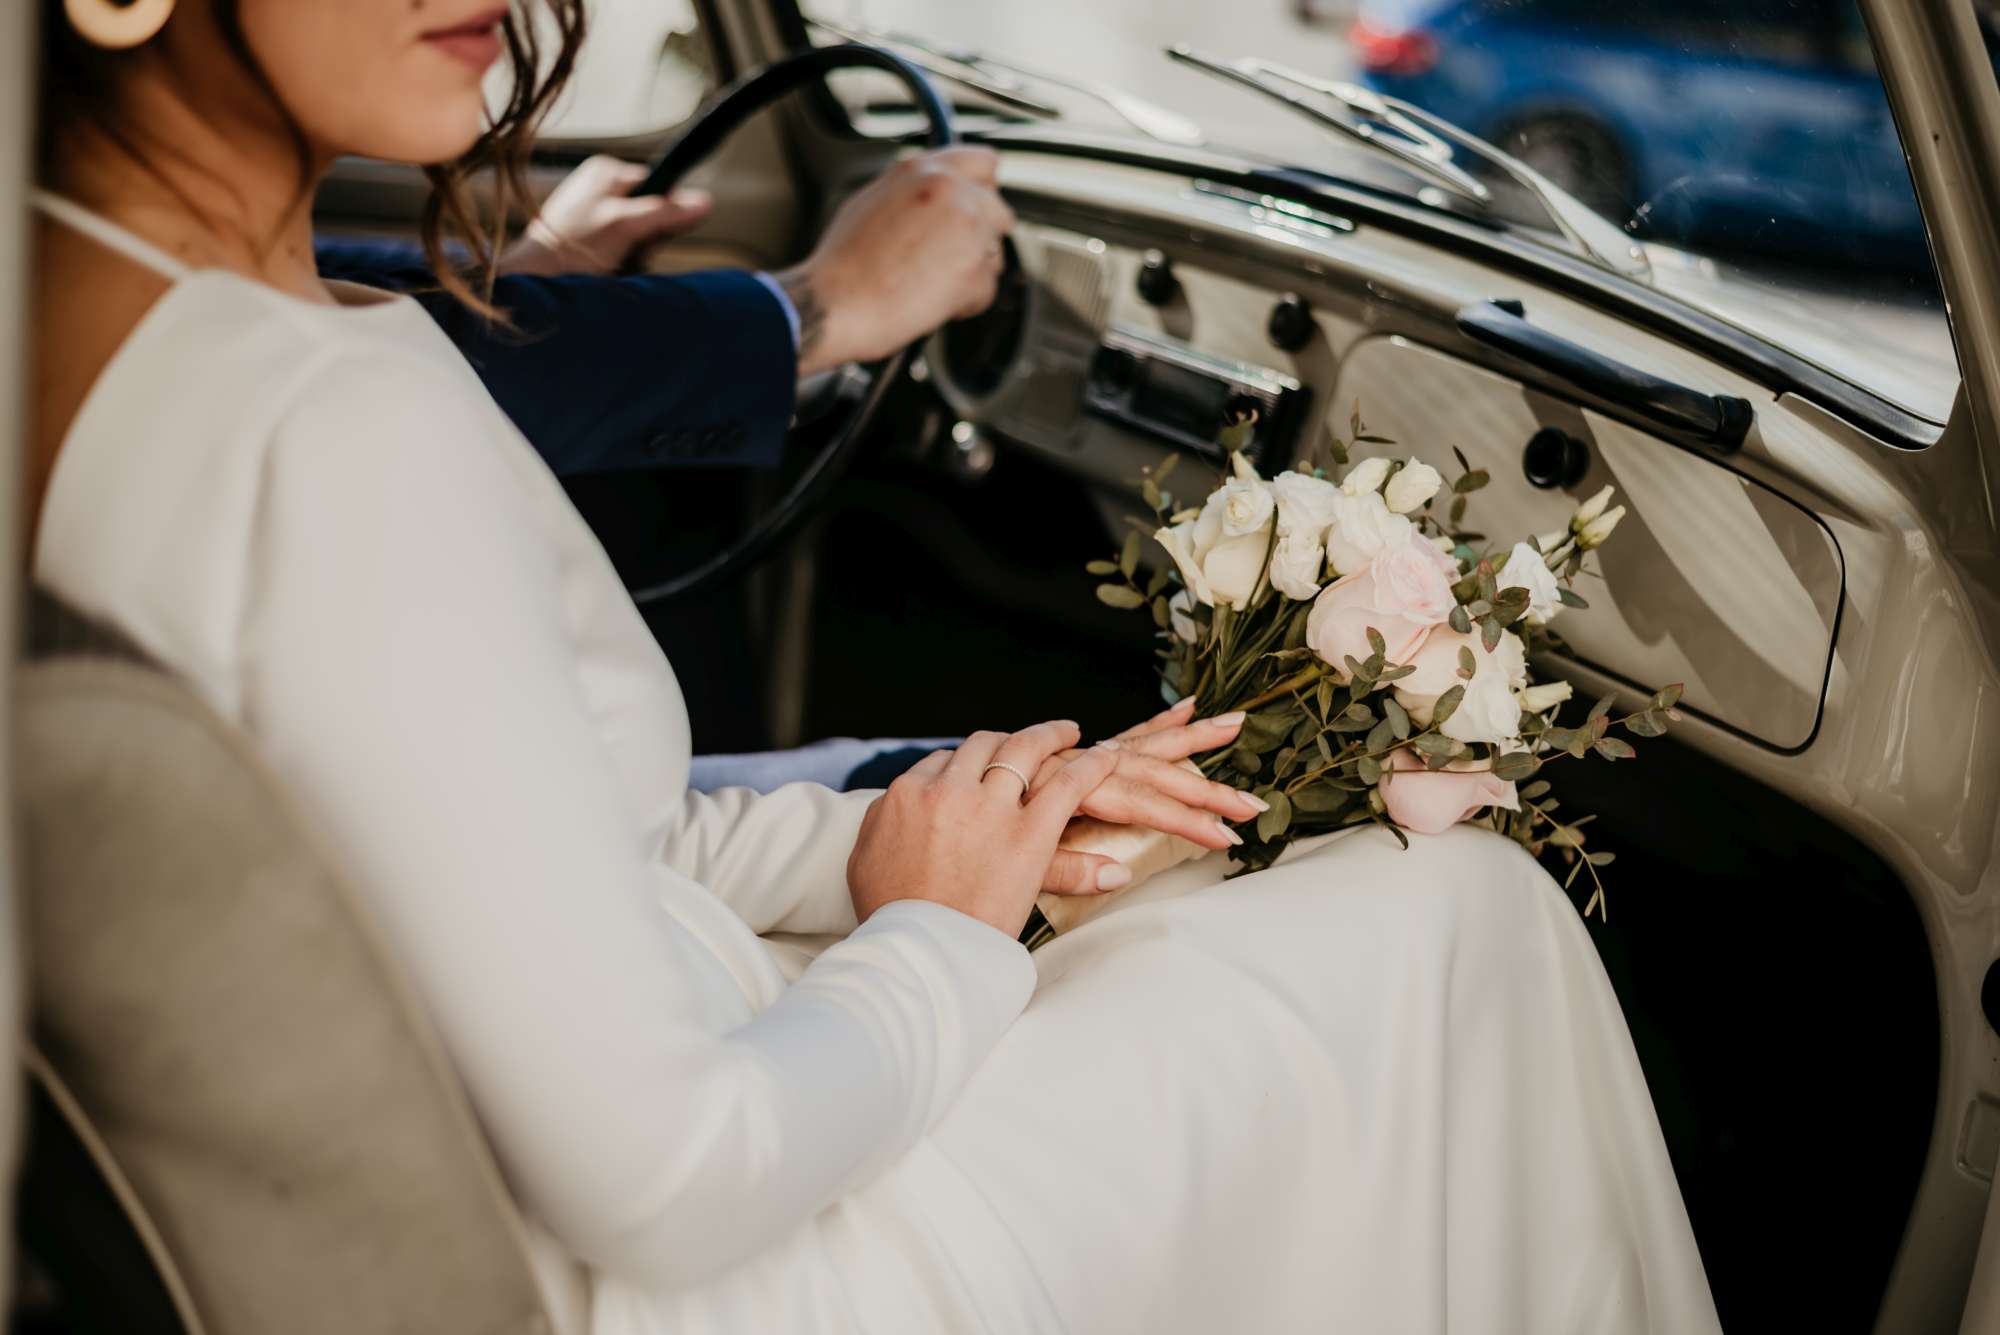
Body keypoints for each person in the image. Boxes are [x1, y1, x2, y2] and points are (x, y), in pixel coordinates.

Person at [28, 4, 1723, 1334]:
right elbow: (672, 1181)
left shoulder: (94, 330)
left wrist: (912, 835)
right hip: (701, 1266)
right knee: (1460, 917)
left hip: (484, 1147)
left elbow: (497, 840)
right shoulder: (332, 426)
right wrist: (937, 935)